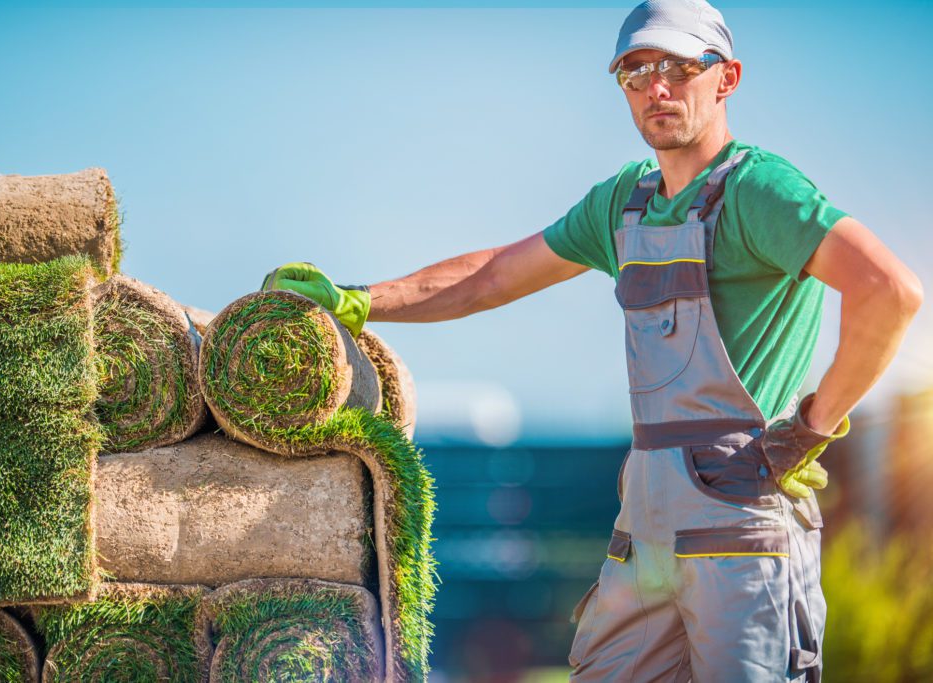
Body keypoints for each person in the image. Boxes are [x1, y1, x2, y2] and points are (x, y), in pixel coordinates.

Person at [261, 0, 923, 680]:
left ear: (726, 78)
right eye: (635, 73)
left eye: (677, 67)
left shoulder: (760, 191)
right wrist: (359, 301)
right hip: (645, 533)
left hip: (742, 536)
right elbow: (491, 275)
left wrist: (809, 428)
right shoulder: (622, 205)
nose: (656, 88)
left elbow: (890, 292)